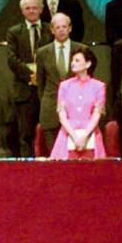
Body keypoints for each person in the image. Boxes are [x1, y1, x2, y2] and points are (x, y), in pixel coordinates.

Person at [6, 0, 45, 158]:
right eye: (27, 8)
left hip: (47, 90)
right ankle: (27, 167)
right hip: (24, 90)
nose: (31, 11)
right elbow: (12, 59)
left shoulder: (51, 29)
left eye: (35, 7)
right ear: (22, 11)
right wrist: (31, 75)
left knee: (47, 132)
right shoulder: (14, 32)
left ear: (41, 9)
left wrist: (41, 76)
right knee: (25, 134)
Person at [36, 14, 83, 149]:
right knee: (54, 156)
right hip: (50, 110)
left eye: (64, 27)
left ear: (70, 28)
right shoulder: (42, 52)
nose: (61, 30)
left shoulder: (81, 50)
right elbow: (41, 83)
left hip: (76, 111)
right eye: (58, 27)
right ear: (52, 30)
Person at [51, 46, 106, 159]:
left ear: (88, 64)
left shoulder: (99, 86)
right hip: (67, 133)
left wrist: (84, 136)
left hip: (90, 133)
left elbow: (97, 114)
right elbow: (62, 115)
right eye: (72, 60)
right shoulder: (64, 86)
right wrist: (74, 136)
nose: (73, 63)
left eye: (77, 60)